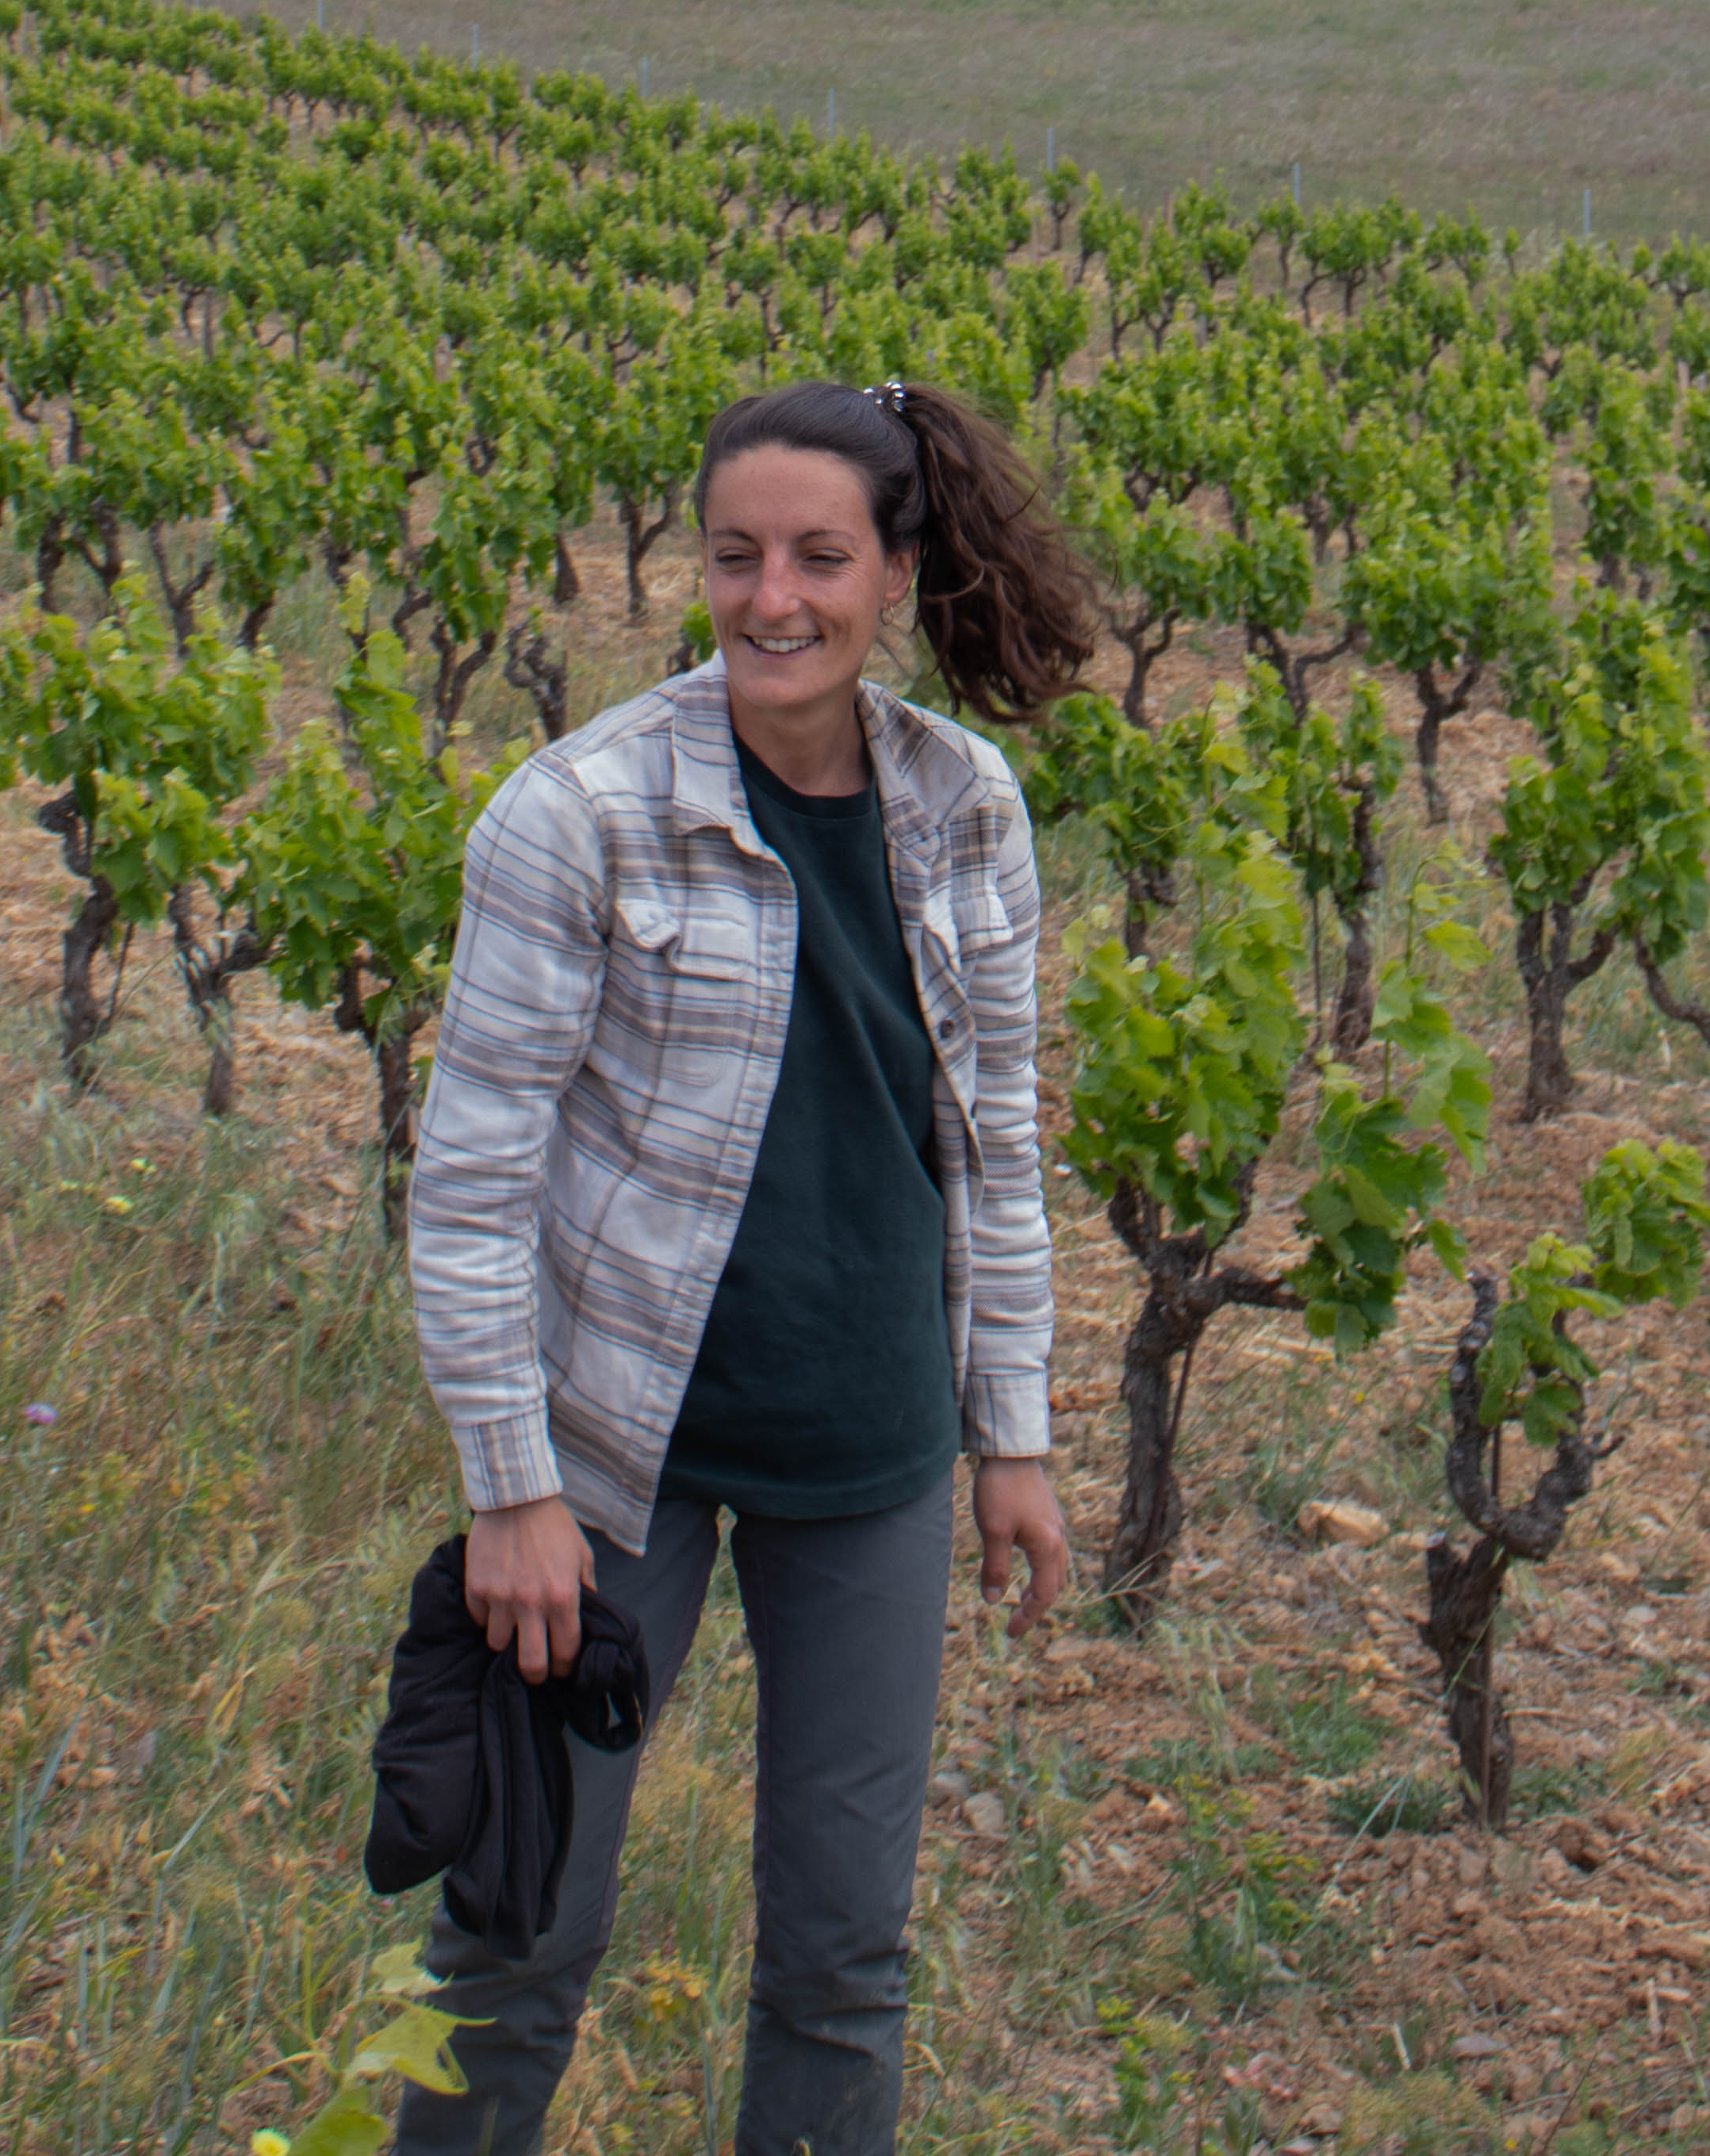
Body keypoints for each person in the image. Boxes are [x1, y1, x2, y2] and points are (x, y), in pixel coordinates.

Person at [398, 373, 1099, 2156]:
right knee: (515, 1931)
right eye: (730, 557)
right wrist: (510, 1489)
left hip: (866, 1451)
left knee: (845, 1958)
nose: (769, 599)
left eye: (815, 557)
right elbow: (471, 1188)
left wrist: (1006, 1435)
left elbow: (996, 1142)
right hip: (616, 1455)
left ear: (897, 570)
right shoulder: (578, 815)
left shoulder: (965, 803)